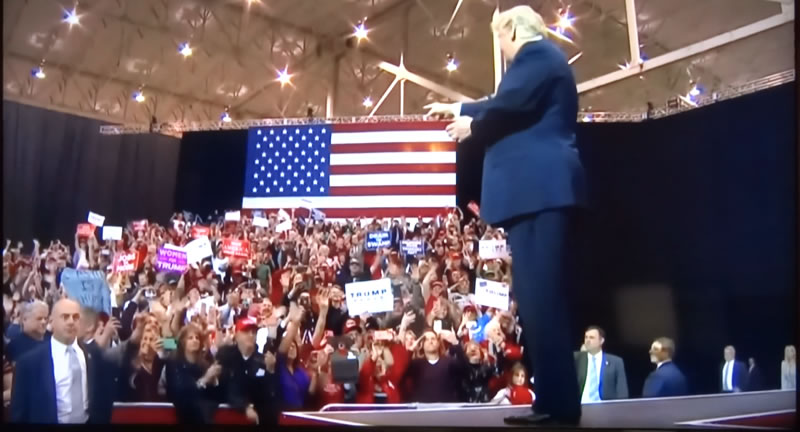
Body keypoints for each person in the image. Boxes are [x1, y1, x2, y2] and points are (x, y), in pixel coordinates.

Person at [425, 4, 586, 425]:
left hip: (540, 191)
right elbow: (505, 103)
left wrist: (473, 127)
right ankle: (552, 402)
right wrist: (461, 109)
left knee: (542, 301)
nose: (501, 46)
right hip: (535, 194)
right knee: (535, 302)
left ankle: (560, 406)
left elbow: (509, 105)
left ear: (512, 29)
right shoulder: (540, 64)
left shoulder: (537, 55)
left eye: (499, 37)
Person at [9, 299, 113, 423]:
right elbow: (19, 413)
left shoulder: (94, 356)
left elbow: (103, 400)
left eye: (76, 317)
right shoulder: (29, 363)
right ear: (51, 321)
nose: (71, 322)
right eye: (65, 317)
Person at [575, 326, 629, 402]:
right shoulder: (576, 358)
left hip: (605, 406)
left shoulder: (616, 362)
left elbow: (622, 390)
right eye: (586, 337)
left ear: (601, 341)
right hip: (582, 404)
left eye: (591, 338)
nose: (587, 340)